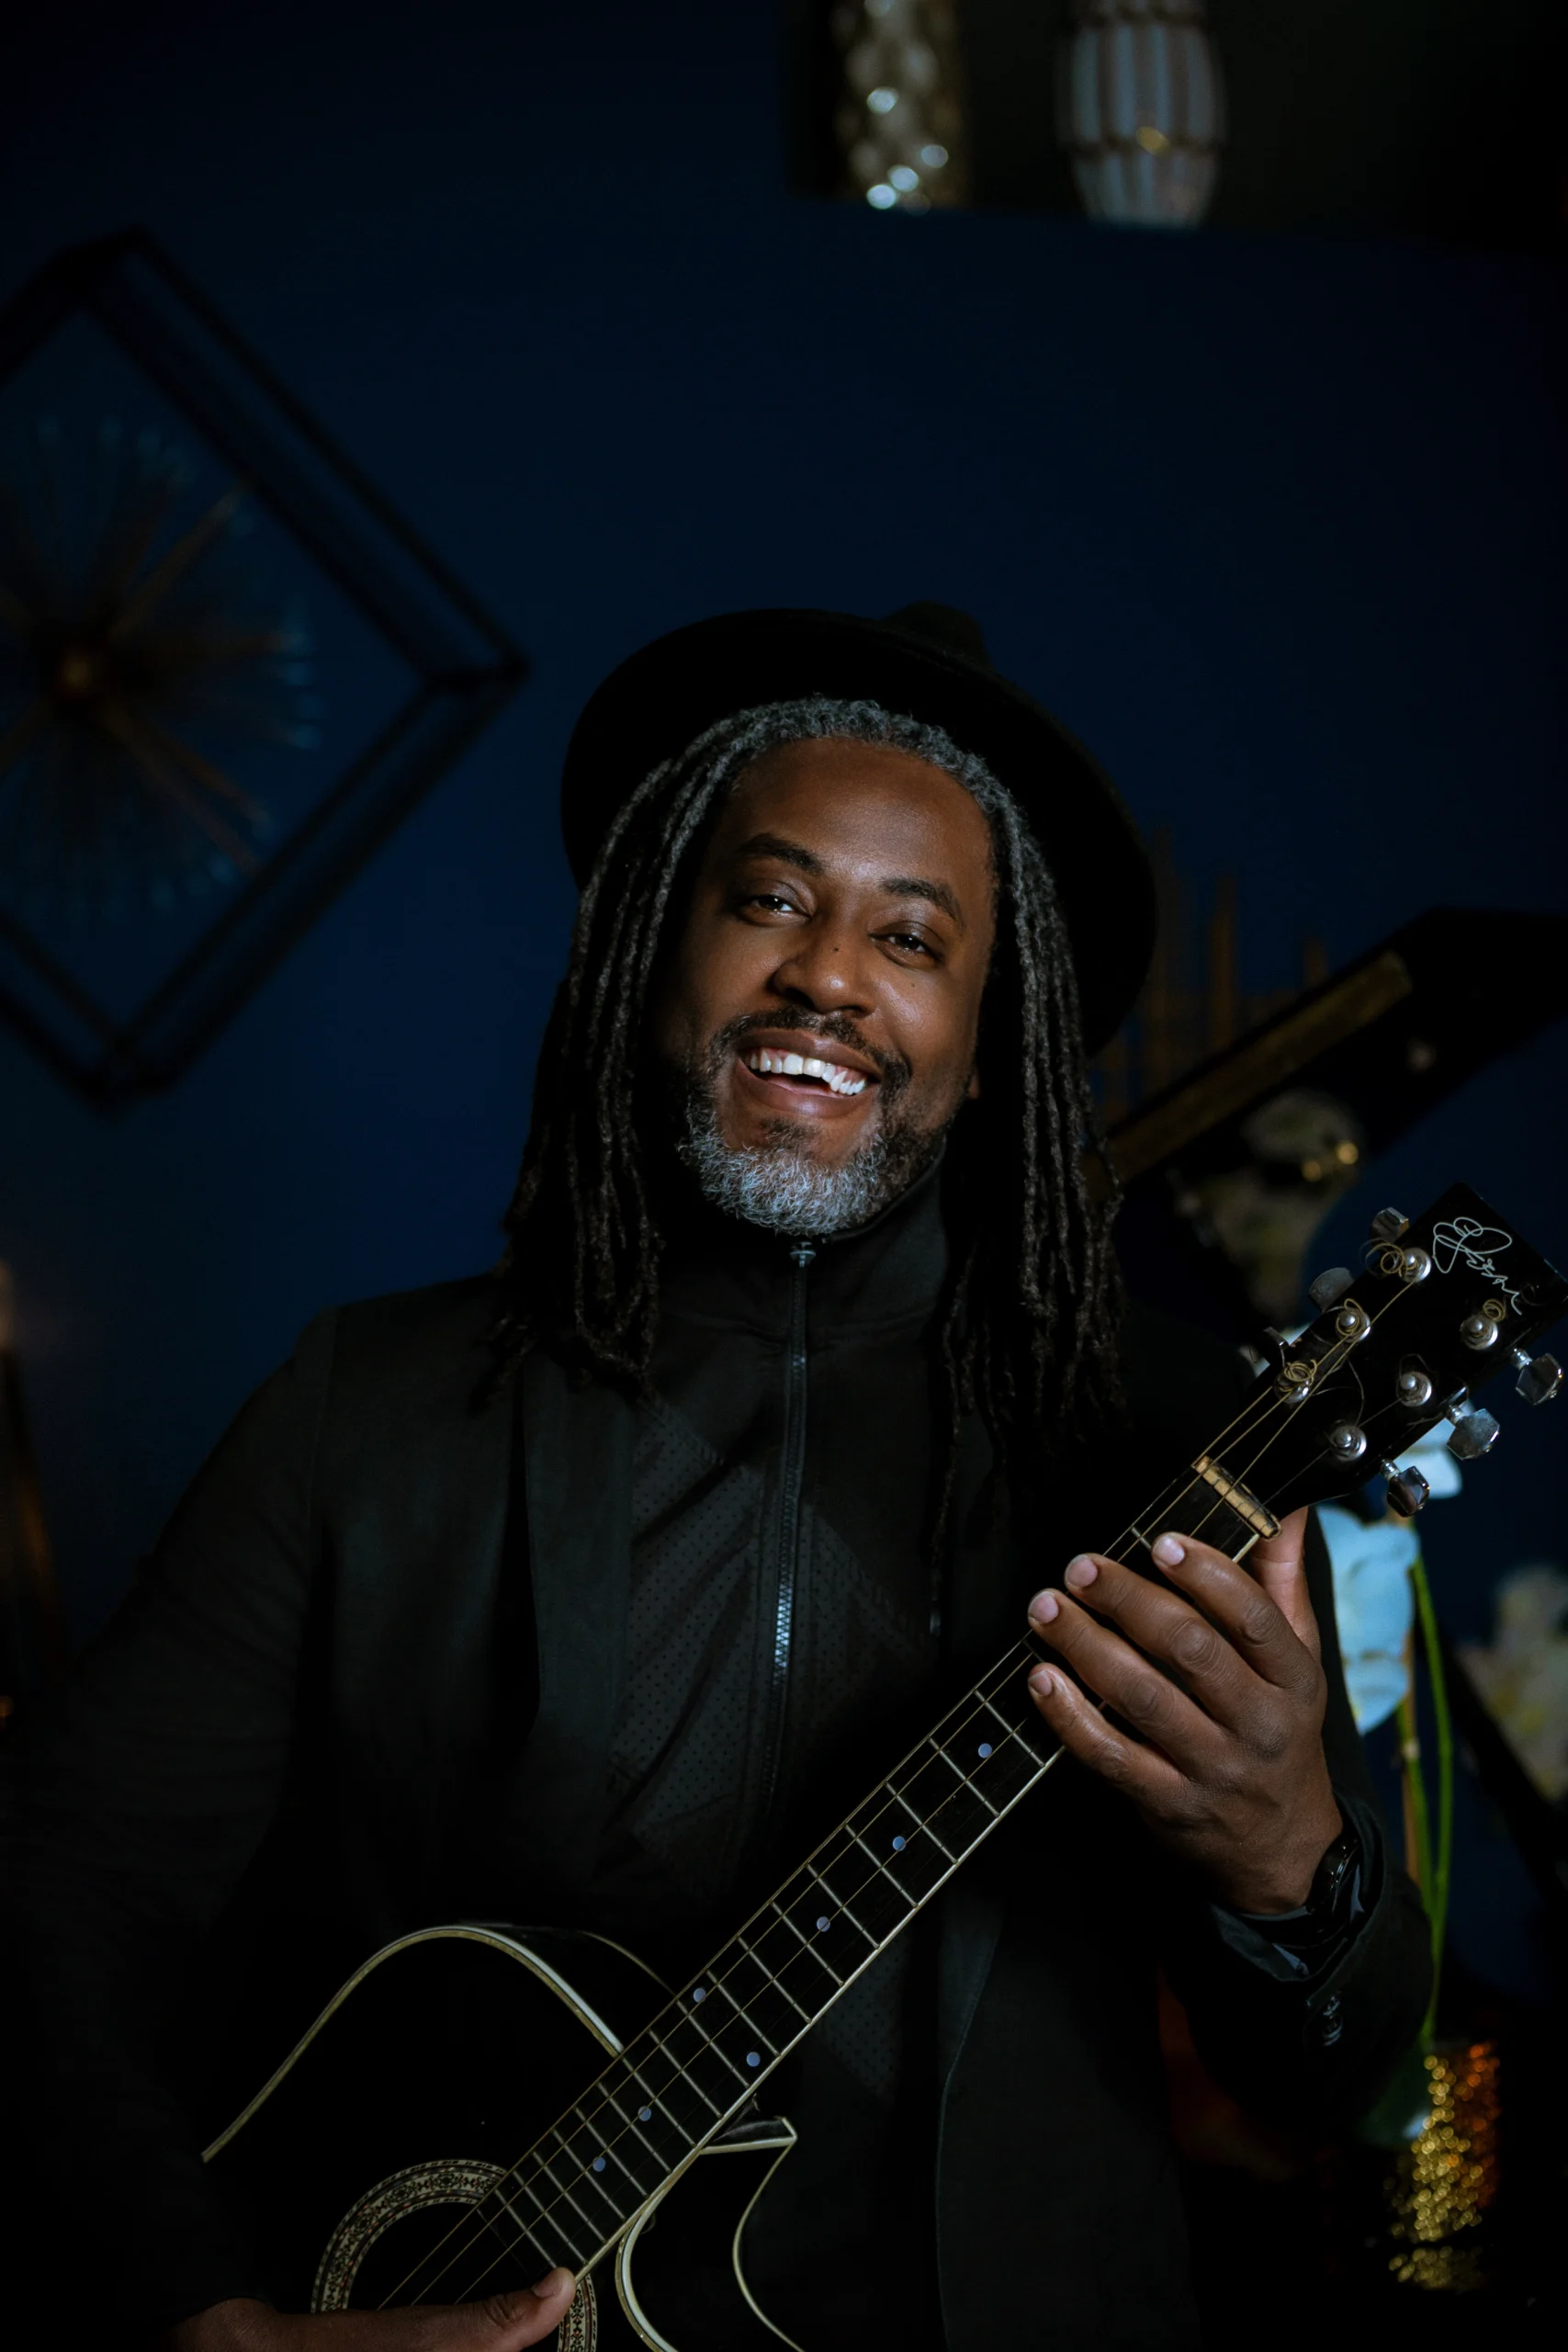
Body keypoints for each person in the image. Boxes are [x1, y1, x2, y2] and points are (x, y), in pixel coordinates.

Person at [8, 605, 1430, 2352]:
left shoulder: (1183, 1448)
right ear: (649, 949)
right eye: (768, 900)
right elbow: (52, 1906)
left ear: (990, 1039)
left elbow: (1346, 2087)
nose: (827, 975)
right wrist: (201, 2312)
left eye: (910, 935)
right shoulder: (363, 1414)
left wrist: (1286, 1861)